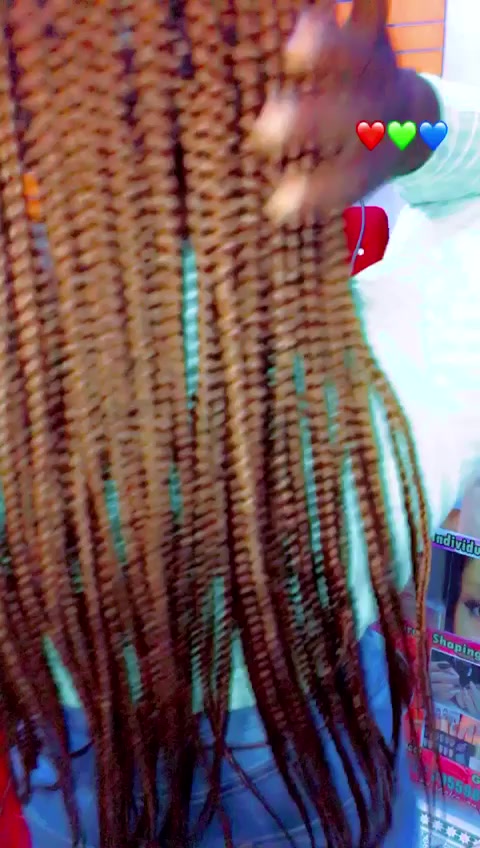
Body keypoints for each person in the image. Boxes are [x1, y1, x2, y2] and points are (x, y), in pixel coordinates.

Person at [1, 2, 480, 848]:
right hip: (314, 758)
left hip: (70, 763)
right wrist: (411, 121)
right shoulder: (391, 398)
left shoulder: (24, 401)